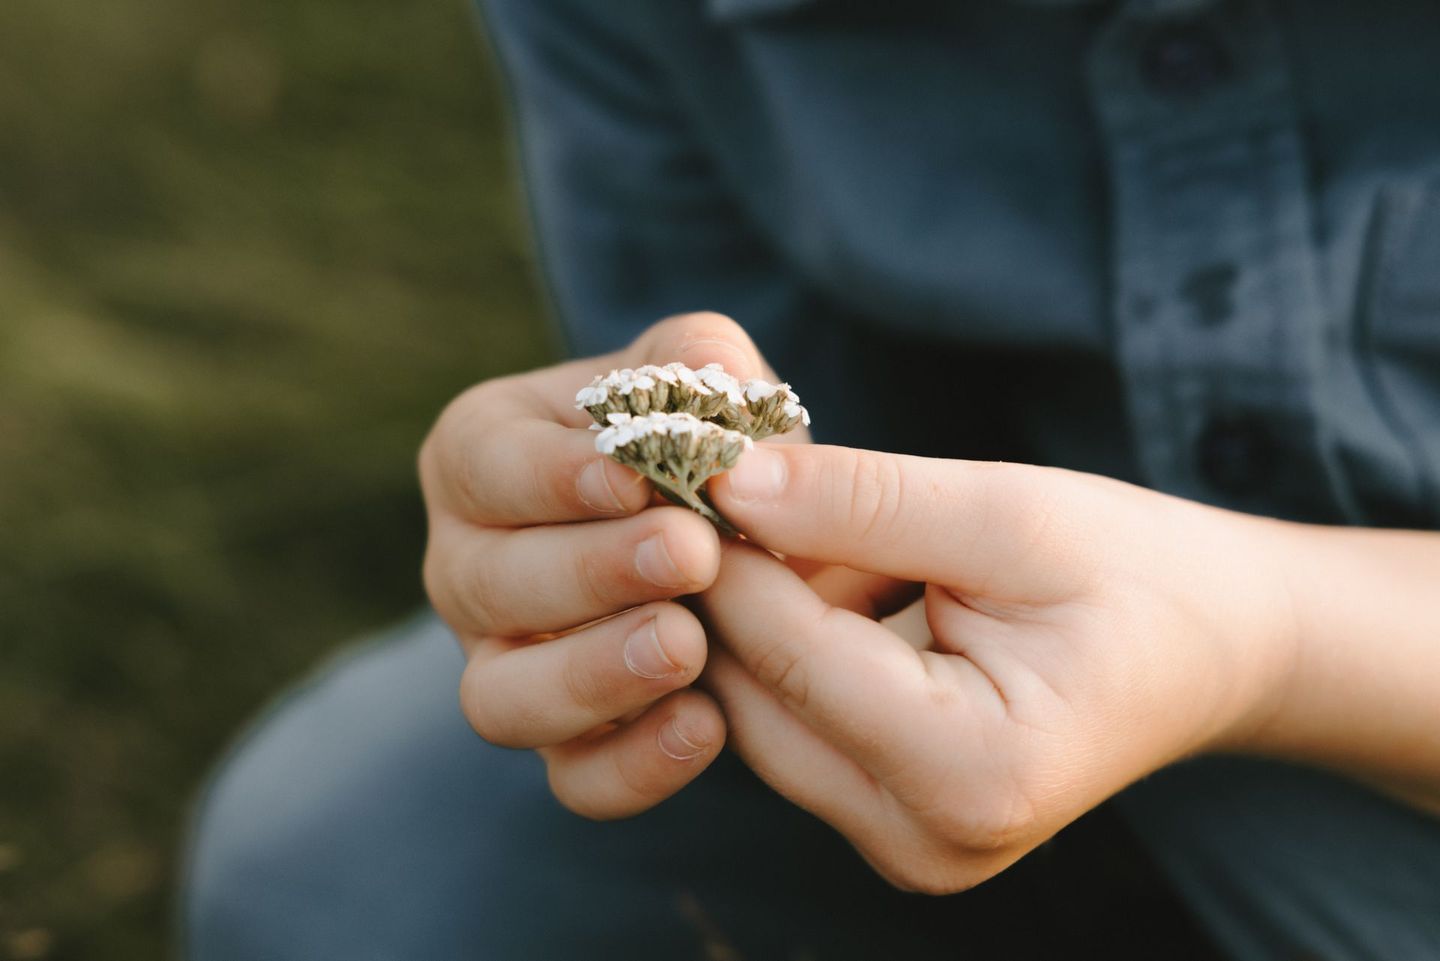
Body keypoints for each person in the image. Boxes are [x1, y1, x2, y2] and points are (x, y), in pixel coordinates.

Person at [183, 0, 1440, 957]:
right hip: (997, 655)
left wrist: (1267, 640)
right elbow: (799, 430)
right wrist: (604, 526)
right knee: (338, 879)